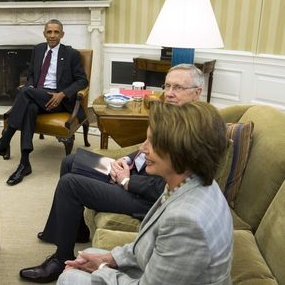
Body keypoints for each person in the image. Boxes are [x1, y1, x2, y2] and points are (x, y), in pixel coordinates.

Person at [19, 64, 204, 283]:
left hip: (144, 198)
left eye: (178, 87)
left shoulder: (196, 129)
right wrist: (126, 159)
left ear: (197, 92)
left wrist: (126, 180)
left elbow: (166, 187)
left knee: (71, 184)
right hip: (133, 171)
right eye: (168, 86)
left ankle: (61, 260)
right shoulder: (170, 113)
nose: (170, 93)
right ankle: (76, 231)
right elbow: (147, 146)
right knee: (71, 161)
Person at [58, 101, 233, 285]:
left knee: (69, 278)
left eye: (151, 142)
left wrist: (101, 270)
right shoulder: (192, 183)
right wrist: (108, 259)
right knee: (91, 255)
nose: (142, 148)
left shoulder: (187, 222)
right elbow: (147, 245)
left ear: (179, 151)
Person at [0, 19, 88, 186]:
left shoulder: (71, 54)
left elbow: (82, 81)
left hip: (58, 101)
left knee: (25, 92)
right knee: (29, 106)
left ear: (62, 34)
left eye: (56, 32)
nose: (52, 35)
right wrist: (29, 86)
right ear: (44, 34)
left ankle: (4, 141)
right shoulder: (38, 49)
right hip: (38, 96)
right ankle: (24, 163)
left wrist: (62, 94)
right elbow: (31, 76)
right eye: (49, 32)